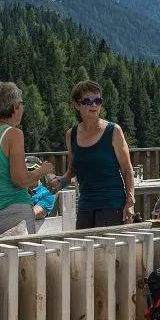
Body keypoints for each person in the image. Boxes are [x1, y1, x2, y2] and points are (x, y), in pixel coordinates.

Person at [0, 82, 53, 239]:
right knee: (22, 263)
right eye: (22, 103)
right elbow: (20, 180)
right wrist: (42, 170)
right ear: (15, 106)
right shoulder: (14, 134)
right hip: (14, 217)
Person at [59, 80, 136, 228]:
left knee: (107, 251)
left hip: (112, 204)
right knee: (83, 250)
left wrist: (130, 202)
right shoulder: (71, 134)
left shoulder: (113, 131)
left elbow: (127, 169)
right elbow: (72, 169)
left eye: (98, 100)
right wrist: (60, 181)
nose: (94, 105)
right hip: (85, 205)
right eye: (88, 101)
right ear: (76, 105)